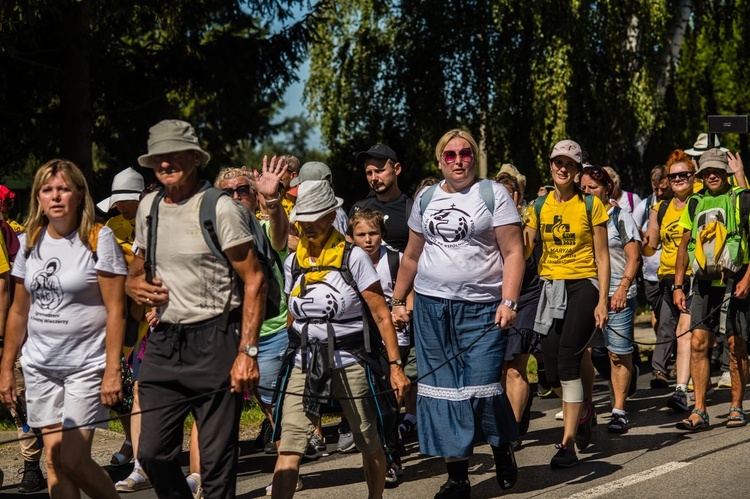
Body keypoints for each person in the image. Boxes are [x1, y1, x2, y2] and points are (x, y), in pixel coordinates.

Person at [126, 119, 266, 498]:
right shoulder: (149, 207)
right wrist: (133, 282)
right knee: (152, 453)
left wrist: (247, 353)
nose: (166, 163)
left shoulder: (220, 208)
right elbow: (138, 263)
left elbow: (255, 279)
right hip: (165, 338)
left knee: (217, 464)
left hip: (216, 337)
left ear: (194, 157)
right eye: (158, 157)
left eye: (174, 155)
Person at [391, 129, 524, 497]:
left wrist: (508, 301)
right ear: (440, 161)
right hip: (432, 310)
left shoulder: (492, 194)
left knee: (482, 387)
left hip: (482, 309)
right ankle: (458, 476)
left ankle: (500, 447)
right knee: (442, 391)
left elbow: (513, 252)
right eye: (449, 155)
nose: (458, 160)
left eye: (465, 153)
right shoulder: (426, 197)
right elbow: (413, 255)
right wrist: (398, 299)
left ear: (474, 157)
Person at [270, 179, 409, 498]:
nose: (308, 226)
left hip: (351, 361)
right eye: (303, 220)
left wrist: (395, 365)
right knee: (289, 448)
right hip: (305, 362)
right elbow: (293, 315)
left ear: (331, 217)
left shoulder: (354, 258)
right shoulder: (294, 262)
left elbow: (380, 314)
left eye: (316, 219)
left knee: (368, 440)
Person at [0, 159, 127, 498]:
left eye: (63, 188)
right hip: (40, 367)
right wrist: (6, 367)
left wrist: (113, 369)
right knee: (55, 461)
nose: (55, 196)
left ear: (79, 193)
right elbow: (19, 309)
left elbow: (116, 309)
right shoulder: (30, 241)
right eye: (47, 189)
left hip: (86, 367)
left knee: (73, 459)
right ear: (38, 197)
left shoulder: (99, 238)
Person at [523, 140, 610, 468]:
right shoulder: (539, 205)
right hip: (550, 287)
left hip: (582, 285)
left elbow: (602, 256)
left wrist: (602, 299)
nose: (563, 168)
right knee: (551, 372)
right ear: (550, 166)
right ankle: (584, 410)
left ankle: (567, 444)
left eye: (569, 164)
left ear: (577, 170)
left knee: (570, 360)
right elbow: (526, 246)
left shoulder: (591, 205)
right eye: (557, 162)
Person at [673, 148, 750, 431]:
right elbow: (684, 245)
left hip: (735, 280)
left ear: (726, 172)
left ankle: (736, 406)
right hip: (703, 283)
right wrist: (678, 285)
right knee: (697, 344)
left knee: (735, 346)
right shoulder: (695, 202)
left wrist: (747, 278)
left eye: (717, 170)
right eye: (707, 171)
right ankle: (700, 410)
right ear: (701, 175)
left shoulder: (740, 198)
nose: (712, 175)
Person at [347, 209, 415, 485]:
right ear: (351, 237)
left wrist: (403, 311)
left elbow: (410, 292)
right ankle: (383, 452)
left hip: (395, 339)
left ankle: (392, 454)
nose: (368, 239)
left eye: (373, 233)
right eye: (361, 234)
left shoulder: (394, 259)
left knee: (388, 404)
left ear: (382, 234)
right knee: (371, 405)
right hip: (361, 343)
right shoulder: (347, 262)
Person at [579, 166, 641, 433]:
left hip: (618, 290)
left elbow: (634, 257)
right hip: (588, 290)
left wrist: (622, 289)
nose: (587, 192)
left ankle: (618, 410)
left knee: (617, 354)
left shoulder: (620, 216)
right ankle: (587, 408)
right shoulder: (579, 215)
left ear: (606, 189)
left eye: (592, 187)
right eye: (583, 188)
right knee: (586, 353)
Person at [96, 166, 146, 470]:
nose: (119, 206)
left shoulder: (154, 222)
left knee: (137, 387)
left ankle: (143, 450)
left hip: (144, 318)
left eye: (124, 200)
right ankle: (130, 440)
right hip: (116, 312)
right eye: (116, 201)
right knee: (119, 387)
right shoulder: (112, 224)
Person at [642, 150, 696, 412]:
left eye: (684, 174)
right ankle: (665, 374)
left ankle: (690, 383)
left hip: (694, 276)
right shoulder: (660, 208)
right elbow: (652, 244)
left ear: (692, 175)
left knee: (689, 334)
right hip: (667, 276)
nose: (678, 179)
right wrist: (643, 244)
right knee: (668, 326)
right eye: (673, 176)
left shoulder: (700, 201)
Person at [494, 172, 541, 451]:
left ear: (519, 195)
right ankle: (508, 420)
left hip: (526, 297)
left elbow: (521, 254)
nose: (506, 198)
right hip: (494, 298)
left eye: (510, 193)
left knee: (514, 369)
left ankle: (512, 431)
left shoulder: (528, 221)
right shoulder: (486, 222)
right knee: (497, 368)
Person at [632, 166, 672, 344]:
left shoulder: (677, 203)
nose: (660, 192)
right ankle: (667, 350)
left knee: (668, 318)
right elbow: (633, 231)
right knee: (659, 316)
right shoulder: (645, 205)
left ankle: (662, 360)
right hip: (650, 274)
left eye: (664, 188)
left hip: (671, 270)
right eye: (657, 189)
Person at [349, 144, 413, 252]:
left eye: (380, 171)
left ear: (397, 169)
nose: (374, 178)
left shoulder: (412, 210)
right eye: (369, 173)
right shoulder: (359, 209)